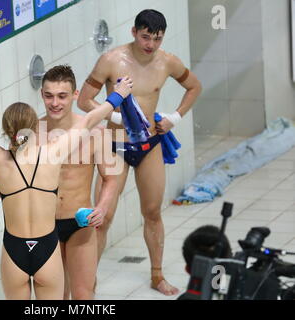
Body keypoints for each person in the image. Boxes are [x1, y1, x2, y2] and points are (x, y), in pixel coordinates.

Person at [0, 74, 133, 300]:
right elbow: (90, 120)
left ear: (5, 130)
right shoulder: (54, 152)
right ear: (34, 127)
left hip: (14, 251)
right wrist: (119, 94)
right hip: (47, 248)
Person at [77, 9, 202, 296]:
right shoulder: (112, 60)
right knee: (103, 217)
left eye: (157, 39)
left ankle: (157, 276)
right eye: (146, 37)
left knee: (152, 212)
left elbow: (195, 86)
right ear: (134, 32)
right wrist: (119, 118)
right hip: (116, 145)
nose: (151, 45)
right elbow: (84, 100)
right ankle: (88, 282)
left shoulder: (167, 62)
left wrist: (176, 117)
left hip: (150, 145)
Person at [0, 65, 119, 300]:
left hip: (79, 224)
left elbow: (111, 178)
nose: (55, 103)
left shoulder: (96, 133)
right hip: (45, 229)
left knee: (84, 296)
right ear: (42, 95)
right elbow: (3, 175)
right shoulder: (32, 133)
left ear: (75, 95)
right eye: (49, 96)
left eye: (62, 96)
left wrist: (103, 207)